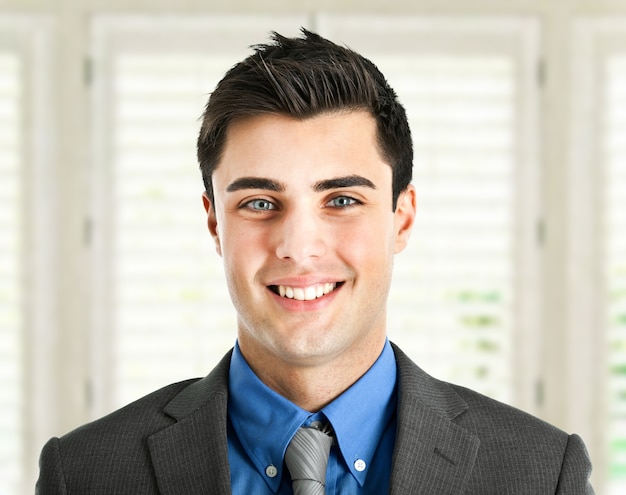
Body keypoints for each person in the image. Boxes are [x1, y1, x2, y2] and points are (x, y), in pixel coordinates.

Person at [36, 29, 593, 494]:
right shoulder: (84, 474)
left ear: (401, 217)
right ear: (214, 223)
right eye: (259, 203)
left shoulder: (542, 474)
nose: (299, 248)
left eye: (342, 200)